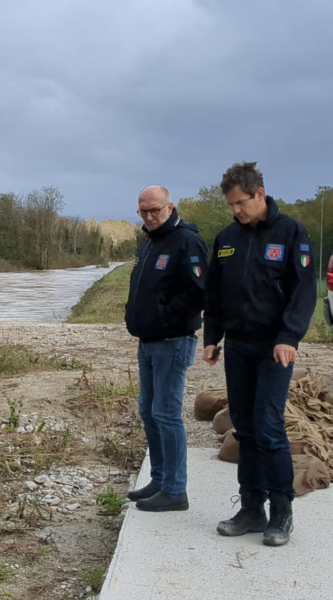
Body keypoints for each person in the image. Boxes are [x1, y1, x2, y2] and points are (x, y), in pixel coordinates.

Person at [203, 161, 316, 546]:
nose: (236, 210)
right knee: (245, 428)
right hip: (238, 347)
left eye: (240, 203)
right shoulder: (227, 237)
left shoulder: (290, 232)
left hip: (274, 349)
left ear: (259, 195)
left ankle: (281, 512)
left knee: (268, 428)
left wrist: (289, 336)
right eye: (230, 205)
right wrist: (211, 337)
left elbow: (304, 291)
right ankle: (251, 508)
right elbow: (215, 293)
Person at [125, 185, 208, 511]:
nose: (149, 216)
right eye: (143, 211)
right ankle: (159, 479)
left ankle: (176, 490)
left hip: (172, 341)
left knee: (166, 414)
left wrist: (162, 317)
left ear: (170, 207)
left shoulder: (186, 240)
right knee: (148, 410)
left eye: (155, 210)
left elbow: (199, 290)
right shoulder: (150, 241)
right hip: (148, 342)